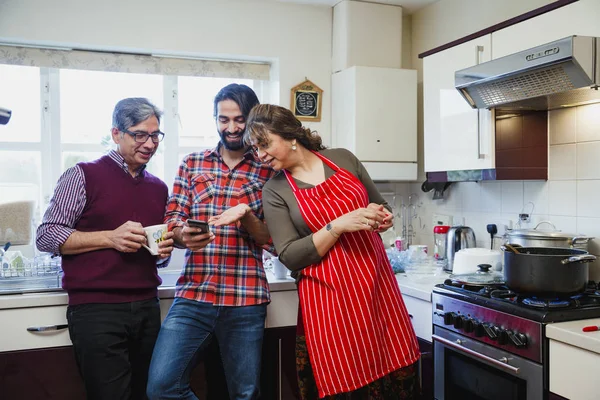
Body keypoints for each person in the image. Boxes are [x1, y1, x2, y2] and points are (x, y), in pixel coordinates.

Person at [245, 104, 421, 399]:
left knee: (395, 374)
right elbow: (289, 254)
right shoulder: (274, 190)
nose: (260, 154)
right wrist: (335, 227)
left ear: (289, 135)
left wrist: (383, 217)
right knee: (345, 382)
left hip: (377, 288)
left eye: (264, 144)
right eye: (255, 148)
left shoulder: (343, 158)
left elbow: (380, 206)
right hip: (330, 300)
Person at [36, 97, 175, 400]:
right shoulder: (83, 175)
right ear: (116, 134)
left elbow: (155, 255)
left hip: (147, 307)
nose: (150, 143)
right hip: (96, 310)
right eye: (140, 134)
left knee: (149, 393)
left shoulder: (159, 187)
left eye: (155, 135)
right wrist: (109, 238)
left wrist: (163, 251)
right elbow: (46, 235)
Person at [147, 84, 275, 400]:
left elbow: (273, 241)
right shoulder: (192, 164)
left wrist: (246, 216)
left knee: (245, 394)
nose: (231, 128)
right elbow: (171, 222)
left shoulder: (270, 169)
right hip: (193, 295)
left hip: (245, 298)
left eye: (239, 119)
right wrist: (179, 236)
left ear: (253, 119)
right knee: (161, 388)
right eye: (223, 119)